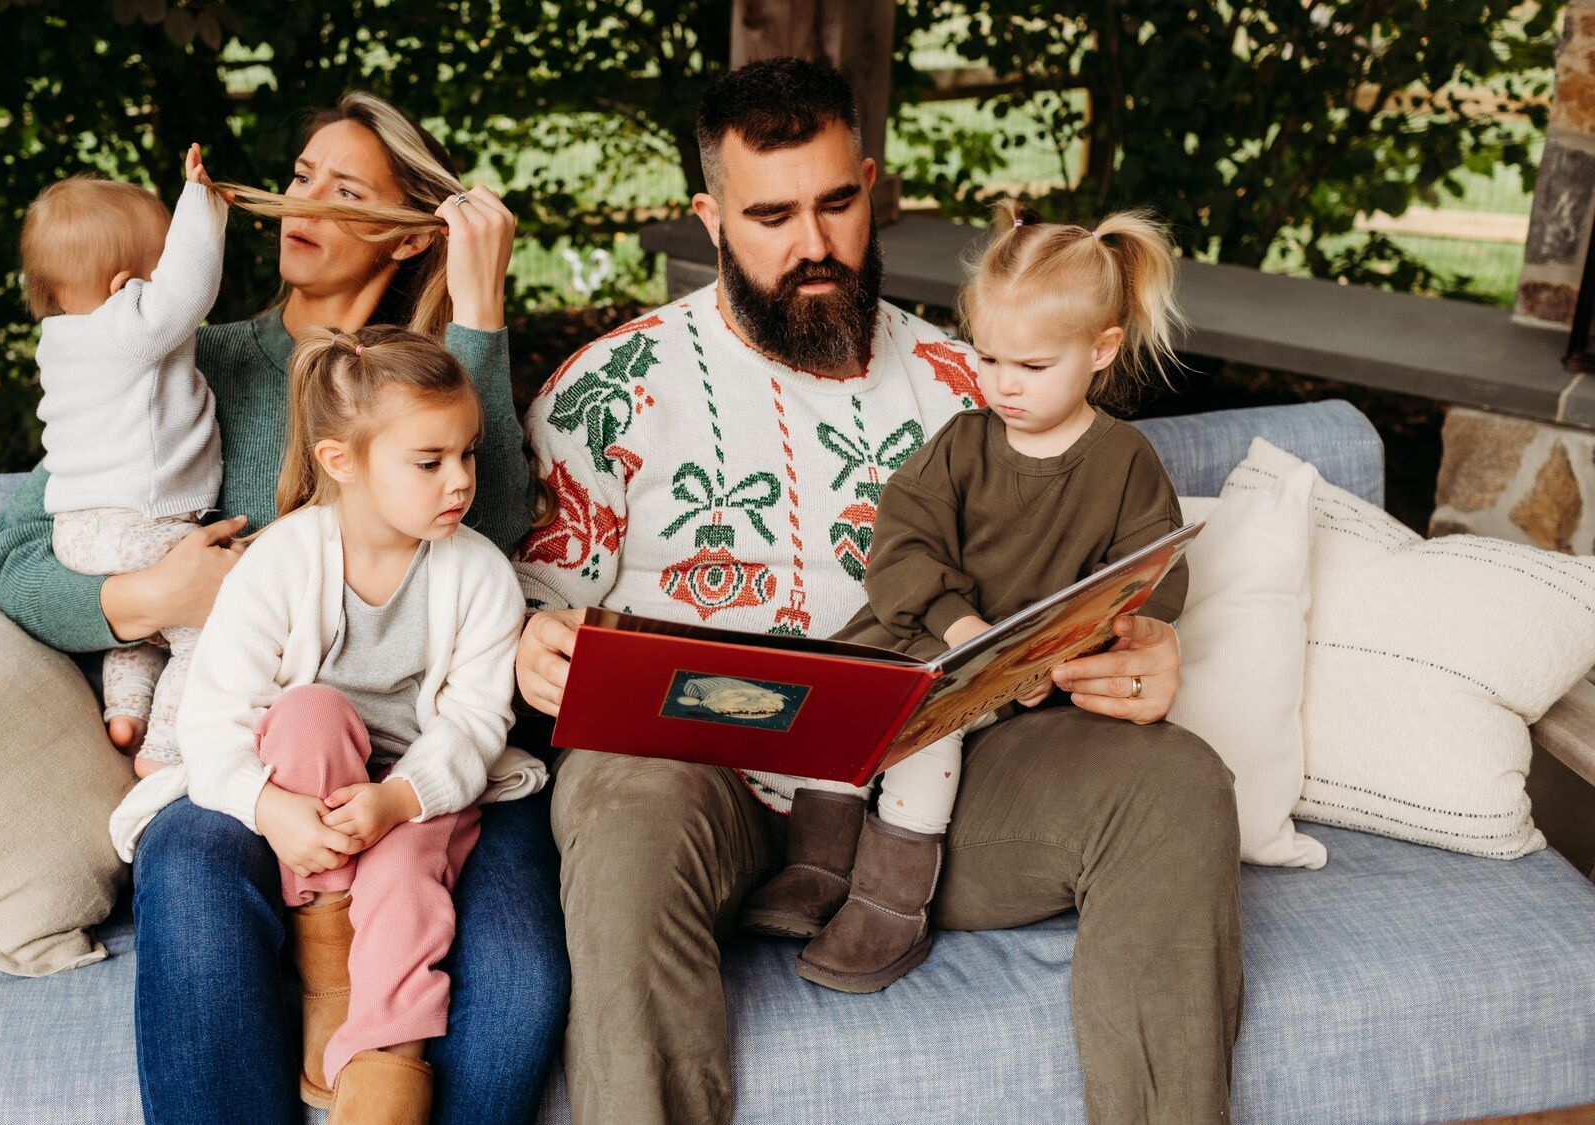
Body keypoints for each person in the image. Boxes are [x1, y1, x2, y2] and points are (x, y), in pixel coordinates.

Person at [515, 57, 1239, 1125]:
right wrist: (533, 645)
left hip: (935, 788)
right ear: (708, 218)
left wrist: (1144, 644)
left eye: (835, 203)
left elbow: (1102, 569)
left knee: (1174, 782)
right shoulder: (608, 393)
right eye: (770, 214)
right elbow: (534, 610)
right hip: (699, 782)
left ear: (871, 184)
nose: (812, 244)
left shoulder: (976, 383)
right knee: (618, 798)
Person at [0, 91, 567, 1125]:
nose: (301, 202)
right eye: (299, 176)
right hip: (247, 762)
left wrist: (477, 311)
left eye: (345, 191)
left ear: (407, 234)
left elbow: (494, 529)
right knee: (195, 887)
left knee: (519, 989)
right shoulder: (185, 361)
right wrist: (149, 593)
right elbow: (22, 559)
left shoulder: (436, 393)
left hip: (439, 765)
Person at [740, 199, 1192, 996]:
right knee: (849, 694)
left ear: (1101, 350)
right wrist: (959, 623)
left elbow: (1152, 573)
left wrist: (1091, 638)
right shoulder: (962, 442)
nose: (1004, 386)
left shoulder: (1123, 461)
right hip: (921, 630)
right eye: (987, 360)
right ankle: (815, 867)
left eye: (1031, 366)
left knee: (924, 730)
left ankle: (890, 902)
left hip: (1008, 672)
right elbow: (901, 543)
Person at [110, 327, 545, 1124]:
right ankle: (330, 964)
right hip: (307, 789)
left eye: (468, 454)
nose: (460, 481)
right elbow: (213, 721)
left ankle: (385, 1057)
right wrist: (271, 808)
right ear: (341, 460)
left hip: (413, 789)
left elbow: (475, 722)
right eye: (429, 460)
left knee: (410, 858)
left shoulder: (480, 573)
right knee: (311, 711)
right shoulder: (280, 561)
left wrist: (399, 800)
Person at [22, 143, 228, 776]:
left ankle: (126, 710)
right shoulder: (128, 327)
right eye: (156, 266)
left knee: (146, 625)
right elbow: (191, 287)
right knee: (207, 630)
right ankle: (164, 747)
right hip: (141, 525)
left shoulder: (60, 342)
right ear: (126, 287)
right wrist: (202, 204)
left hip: (78, 531)